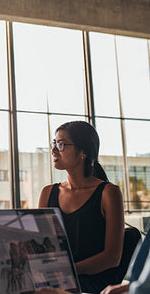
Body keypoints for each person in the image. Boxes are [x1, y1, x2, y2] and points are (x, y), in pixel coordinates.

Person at [38, 121, 124, 293]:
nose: (53, 150)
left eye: (61, 144)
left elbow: (112, 258)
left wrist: (67, 271)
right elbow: (40, 246)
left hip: (91, 284)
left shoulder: (109, 193)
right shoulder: (48, 193)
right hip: (56, 279)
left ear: (83, 151)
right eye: (53, 143)